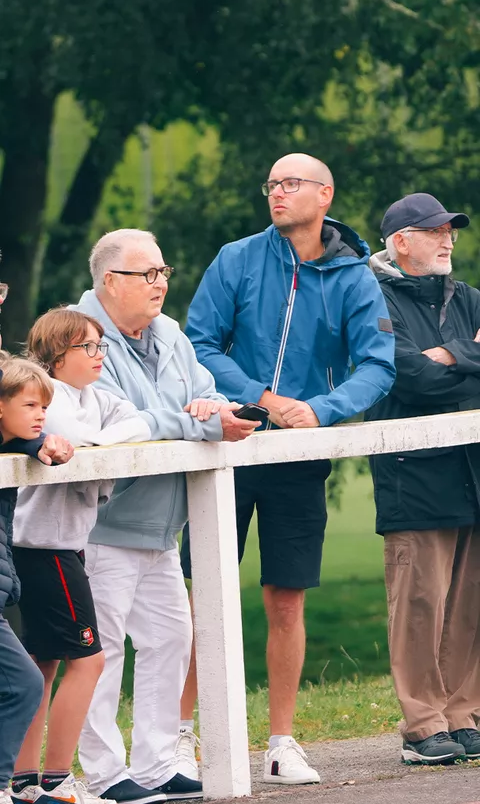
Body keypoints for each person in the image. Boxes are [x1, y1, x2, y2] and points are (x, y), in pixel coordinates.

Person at [180, 152, 396, 785]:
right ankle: (182, 737)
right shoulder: (236, 258)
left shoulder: (356, 276)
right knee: (199, 597)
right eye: (271, 183)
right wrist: (261, 398)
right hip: (226, 446)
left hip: (299, 456)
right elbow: (201, 343)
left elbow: (377, 366)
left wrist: (319, 411)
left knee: (286, 599)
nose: (277, 193)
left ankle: (280, 742)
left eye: (291, 183)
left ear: (324, 195)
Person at [71, 229, 258, 804]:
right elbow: (122, 421)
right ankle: (103, 776)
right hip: (101, 523)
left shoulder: (171, 333)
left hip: (163, 523)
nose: (159, 285)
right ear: (109, 282)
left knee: (171, 640)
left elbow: (204, 395)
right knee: (99, 652)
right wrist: (196, 418)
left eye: (163, 272)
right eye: (146, 274)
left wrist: (211, 411)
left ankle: (154, 767)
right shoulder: (79, 337)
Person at [10, 308, 151, 804]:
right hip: (45, 546)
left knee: (44, 663)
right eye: (85, 347)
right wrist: (92, 440)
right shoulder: (45, 396)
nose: (98, 355)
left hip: (59, 544)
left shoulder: (94, 397)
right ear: (54, 354)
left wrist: (101, 442)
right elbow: (66, 437)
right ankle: (54, 779)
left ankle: (28, 782)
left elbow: (136, 421)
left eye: (100, 346)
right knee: (88, 660)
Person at [367, 192, 480, 765]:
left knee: (469, 603)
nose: (449, 238)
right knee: (419, 603)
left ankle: (463, 713)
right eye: (435, 231)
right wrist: (469, 356)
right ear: (401, 242)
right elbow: (409, 378)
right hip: (413, 472)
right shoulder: (372, 298)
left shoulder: (468, 296)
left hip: (471, 470)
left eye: (450, 230)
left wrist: (446, 358)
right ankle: (422, 724)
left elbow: (436, 373)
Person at [0, 353, 74, 804]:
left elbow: (31, 442)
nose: (40, 414)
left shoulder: (15, 447)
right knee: (25, 681)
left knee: (23, 682)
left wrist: (40, 442)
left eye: (43, 406)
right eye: (30, 406)